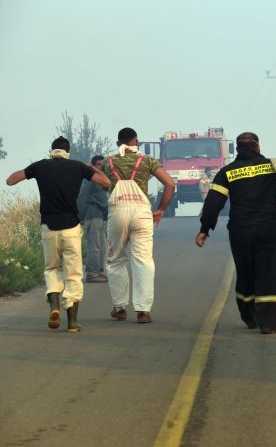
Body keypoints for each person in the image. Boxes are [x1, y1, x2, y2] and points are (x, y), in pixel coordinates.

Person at [196, 132, 276, 334]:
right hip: (269, 228)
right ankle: (268, 323)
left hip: (240, 231)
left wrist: (205, 229)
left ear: (237, 149)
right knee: (268, 273)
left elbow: (213, 203)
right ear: (258, 147)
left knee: (245, 272)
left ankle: (250, 317)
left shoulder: (227, 171)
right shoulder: (274, 166)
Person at [5, 136, 111, 332]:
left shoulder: (40, 166)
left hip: (49, 227)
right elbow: (106, 182)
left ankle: (54, 307)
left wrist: (32, 170)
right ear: (67, 151)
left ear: (51, 151)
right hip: (71, 227)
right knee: (74, 273)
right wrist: (91, 167)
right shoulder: (78, 166)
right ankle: (72, 323)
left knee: (52, 268)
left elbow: (10, 180)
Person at [102, 128, 175, 324]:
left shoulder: (108, 162)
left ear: (118, 143)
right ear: (138, 142)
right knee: (143, 260)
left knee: (116, 259)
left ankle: (119, 308)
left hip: (117, 211)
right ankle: (143, 311)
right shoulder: (147, 160)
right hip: (142, 212)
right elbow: (170, 184)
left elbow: (102, 185)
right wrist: (160, 209)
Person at [77, 155, 109, 283]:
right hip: (93, 214)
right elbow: (82, 197)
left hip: (101, 216)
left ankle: (100, 272)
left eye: (103, 164)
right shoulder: (91, 180)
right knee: (94, 246)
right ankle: (92, 273)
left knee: (103, 246)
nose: (102, 167)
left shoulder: (104, 181)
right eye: (99, 165)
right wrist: (79, 217)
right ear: (93, 166)